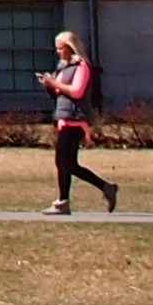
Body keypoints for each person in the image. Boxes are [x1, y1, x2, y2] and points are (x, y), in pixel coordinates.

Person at [39, 29, 117, 215]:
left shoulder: (82, 67)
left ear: (70, 48)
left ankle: (64, 201)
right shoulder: (63, 68)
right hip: (64, 119)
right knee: (67, 163)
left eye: (60, 48)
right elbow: (59, 95)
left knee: (64, 162)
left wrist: (55, 84)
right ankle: (104, 188)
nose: (58, 51)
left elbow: (77, 92)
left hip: (76, 120)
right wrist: (49, 86)